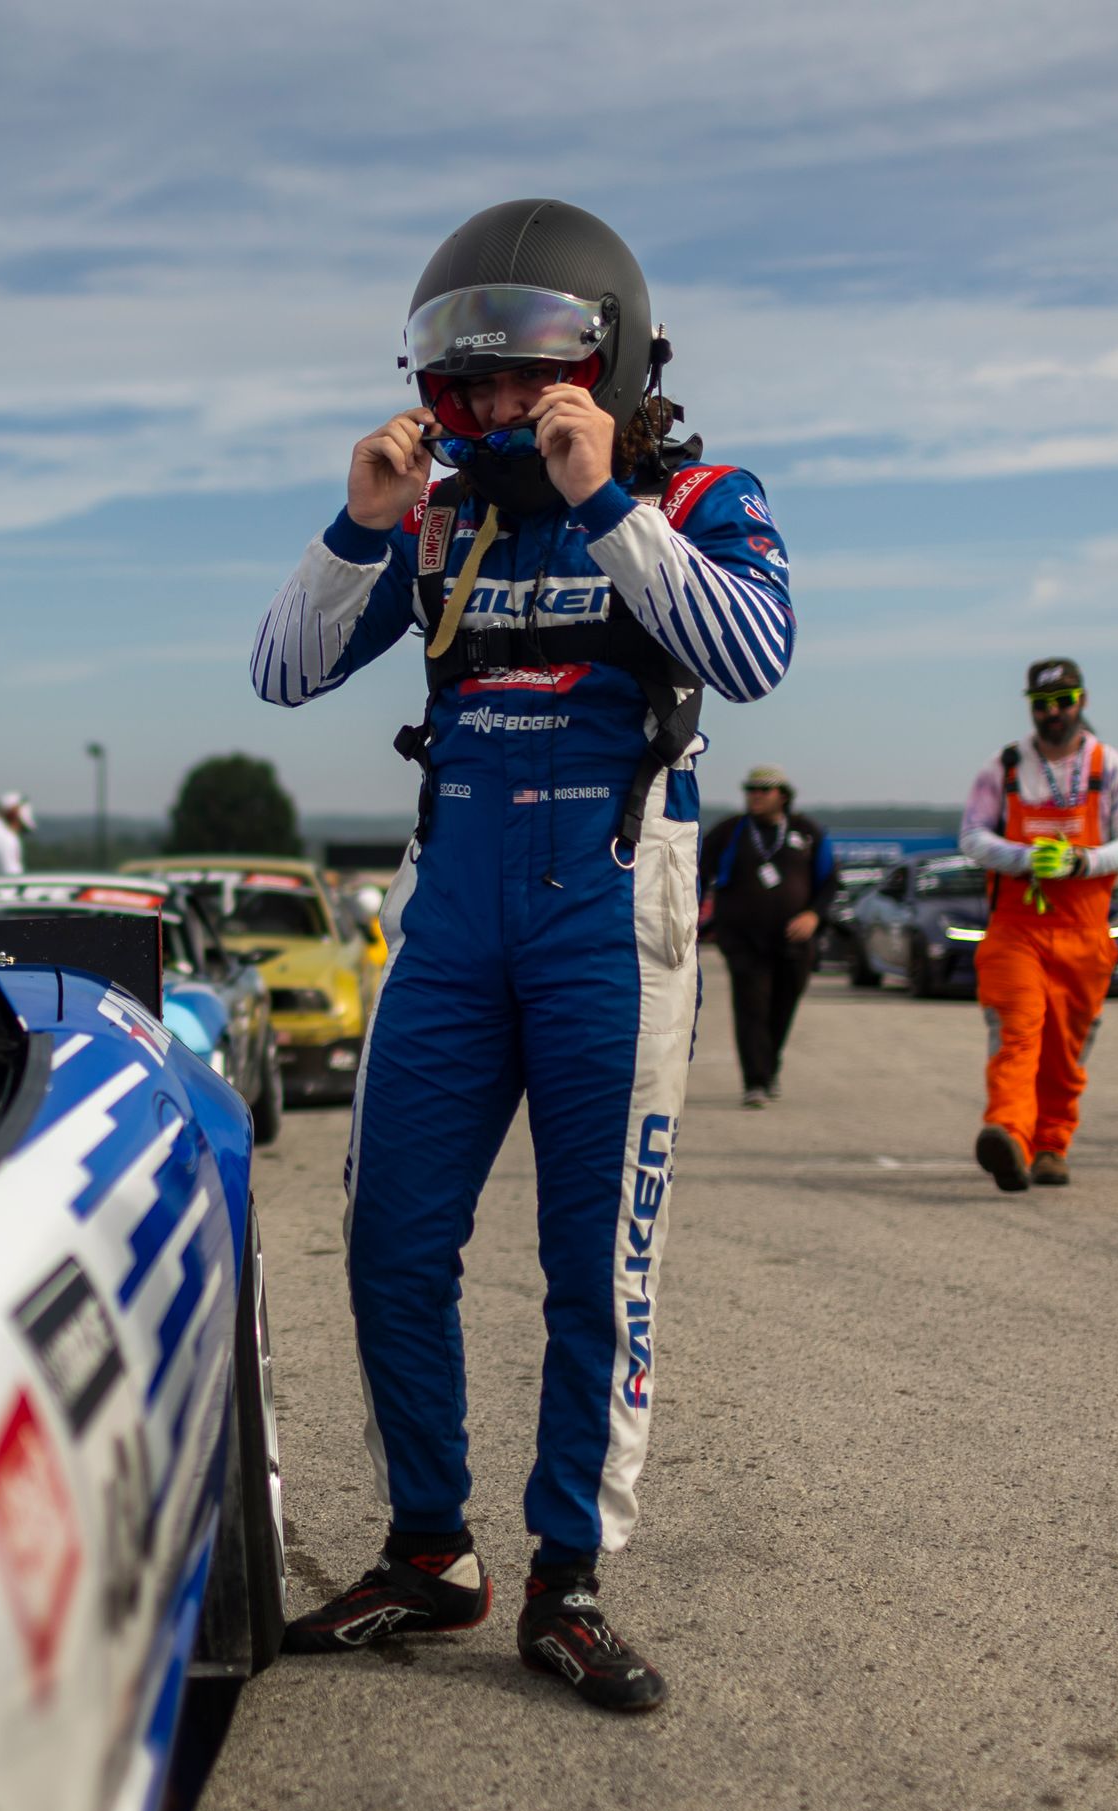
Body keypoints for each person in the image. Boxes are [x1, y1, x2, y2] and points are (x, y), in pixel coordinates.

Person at [247, 199, 794, 1711]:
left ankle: (567, 1579)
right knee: (388, 1240)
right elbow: (283, 672)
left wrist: (607, 502)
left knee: (593, 1270)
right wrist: (360, 519)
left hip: (612, 906)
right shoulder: (431, 517)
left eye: (525, 376)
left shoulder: (699, 493)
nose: (492, 406)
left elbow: (751, 655)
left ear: (607, 363)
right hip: (454, 900)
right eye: (469, 381)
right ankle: (432, 1551)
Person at [957, 659, 1118, 1190]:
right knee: (1017, 1034)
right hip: (1016, 929)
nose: (1054, 712)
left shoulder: (1113, 769)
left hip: (1085, 933)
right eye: (1043, 703)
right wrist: (1022, 856)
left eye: (1065, 700)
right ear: (1030, 707)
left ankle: (1050, 1146)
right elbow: (971, 836)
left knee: (1066, 1049)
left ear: (1082, 701)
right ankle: (1008, 1136)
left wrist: (1081, 861)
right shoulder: (1005, 766)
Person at [698, 764, 835, 1107]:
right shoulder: (729, 832)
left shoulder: (807, 832)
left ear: (783, 796)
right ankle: (755, 1081)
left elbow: (831, 881)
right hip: (743, 939)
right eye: (750, 790)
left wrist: (813, 915)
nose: (755, 796)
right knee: (751, 1007)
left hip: (794, 941)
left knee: (782, 1007)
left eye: (763, 790)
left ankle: (769, 1066)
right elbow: (697, 874)